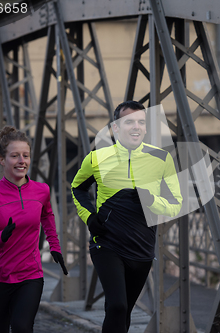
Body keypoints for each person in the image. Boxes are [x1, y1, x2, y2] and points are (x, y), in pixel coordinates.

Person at [71, 100, 182, 333]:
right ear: (116, 127)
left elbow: (175, 205)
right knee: (118, 307)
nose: (136, 127)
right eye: (129, 121)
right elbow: (77, 188)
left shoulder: (162, 159)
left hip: (141, 247)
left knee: (123, 310)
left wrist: (151, 200)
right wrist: (90, 219)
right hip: (107, 243)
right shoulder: (96, 158)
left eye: (141, 122)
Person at [0, 125, 68, 333]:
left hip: (30, 276)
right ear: (1, 159)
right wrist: (2, 237)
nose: (21, 161)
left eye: (25, 155)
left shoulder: (41, 190)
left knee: (22, 327)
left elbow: (47, 216)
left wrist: (55, 246)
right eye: (15, 156)